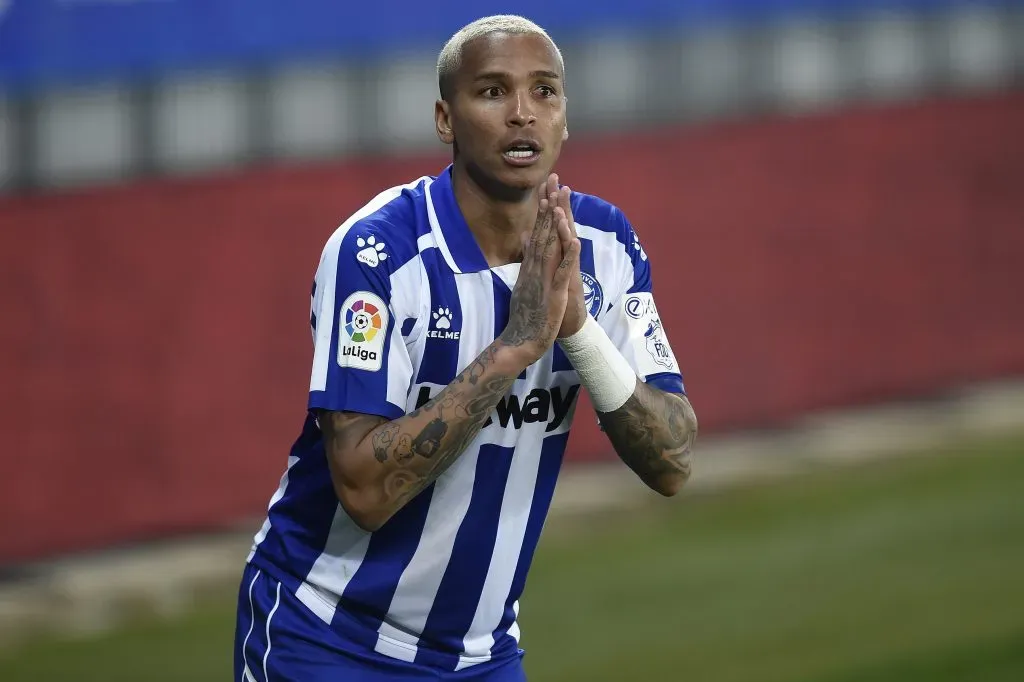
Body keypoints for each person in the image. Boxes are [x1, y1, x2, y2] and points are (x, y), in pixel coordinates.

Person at [234, 14, 698, 682]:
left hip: (482, 659)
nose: (521, 115)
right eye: (491, 92)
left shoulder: (604, 247)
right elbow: (364, 490)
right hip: (328, 641)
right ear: (445, 120)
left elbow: (674, 462)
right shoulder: (377, 255)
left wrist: (577, 331)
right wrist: (513, 349)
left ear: (565, 117)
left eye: (544, 92)